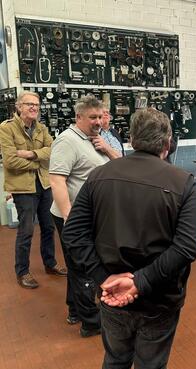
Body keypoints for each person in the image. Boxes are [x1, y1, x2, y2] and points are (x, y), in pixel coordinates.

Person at [62, 108, 196, 369]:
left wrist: (104, 279)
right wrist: (140, 282)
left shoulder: (99, 176)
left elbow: (73, 233)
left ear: (132, 139)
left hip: (112, 298)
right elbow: (186, 248)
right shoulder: (183, 183)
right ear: (167, 143)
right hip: (159, 300)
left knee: (115, 361)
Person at [49, 95, 119, 337]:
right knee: (83, 267)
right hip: (74, 218)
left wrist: (106, 147)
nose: (98, 121)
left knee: (77, 265)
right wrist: (69, 217)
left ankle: (75, 310)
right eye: (92, 117)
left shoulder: (95, 139)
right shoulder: (67, 141)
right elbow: (56, 180)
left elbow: (119, 163)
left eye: (100, 116)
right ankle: (91, 323)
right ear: (78, 117)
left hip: (93, 215)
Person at [0, 90, 66, 289]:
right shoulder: (6, 128)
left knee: (48, 227)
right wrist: (39, 161)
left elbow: (52, 150)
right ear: (19, 107)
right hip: (23, 187)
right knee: (26, 230)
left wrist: (30, 154)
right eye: (30, 104)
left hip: (44, 184)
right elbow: (10, 161)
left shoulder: (41, 128)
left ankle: (50, 263)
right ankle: (22, 272)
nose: (34, 108)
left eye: (36, 105)